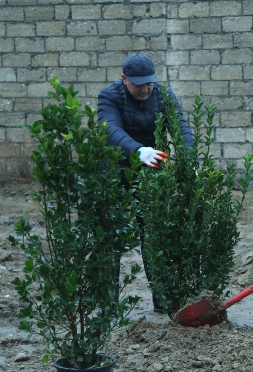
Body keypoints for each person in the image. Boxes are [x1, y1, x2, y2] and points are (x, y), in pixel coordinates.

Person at [97, 53, 193, 313]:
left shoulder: (163, 95)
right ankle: (107, 307)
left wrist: (189, 160)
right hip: (114, 171)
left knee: (155, 235)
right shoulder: (109, 96)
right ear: (124, 79)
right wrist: (139, 151)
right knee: (110, 237)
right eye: (138, 83)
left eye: (149, 82)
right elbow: (110, 130)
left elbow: (181, 128)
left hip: (151, 174)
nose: (145, 89)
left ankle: (163, 301)